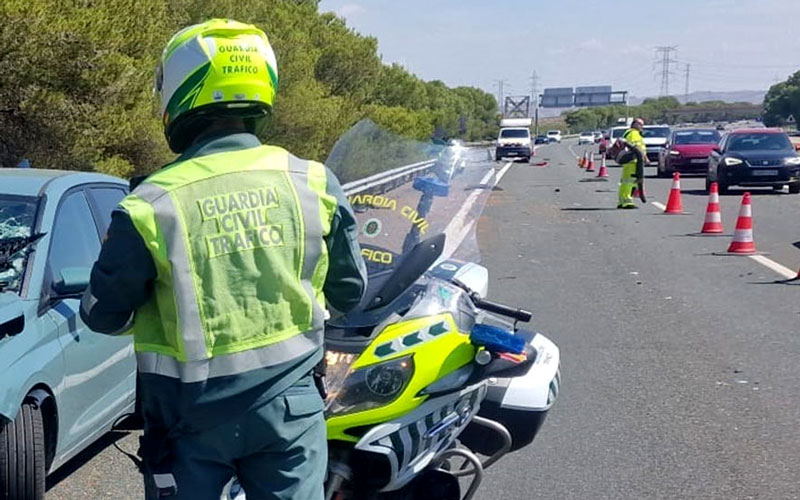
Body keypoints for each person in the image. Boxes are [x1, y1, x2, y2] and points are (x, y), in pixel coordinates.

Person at [80, 19, 367, 500]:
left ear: (178, 91)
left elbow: (103, 316)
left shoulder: (150, 203)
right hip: (290, 412)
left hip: (188, 421)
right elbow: (348, 293)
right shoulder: (314, 182)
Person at [617, 118, 647, 209]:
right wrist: (645, 158)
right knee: (630, 182)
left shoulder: (628, 132)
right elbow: (637, 147)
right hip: (634, 161)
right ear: (634, 124)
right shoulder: (634, 133)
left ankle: (622, 201)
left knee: (625, 182)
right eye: (640, 124)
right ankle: (627, 202)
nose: (642, 127)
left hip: (629, 162)